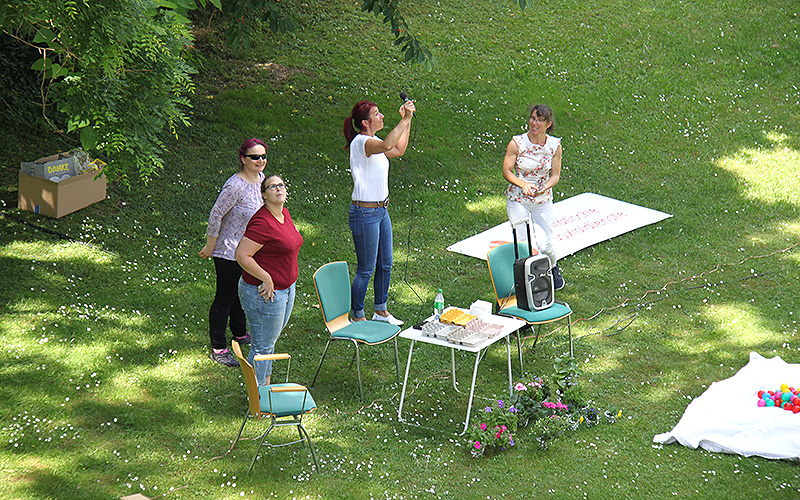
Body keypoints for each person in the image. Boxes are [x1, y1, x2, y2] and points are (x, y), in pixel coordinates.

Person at [342, 98, 416, 325]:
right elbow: (385, 147)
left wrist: (409, 119)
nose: (382, 116)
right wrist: (403, 119)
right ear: (365, 122)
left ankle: (381, 310)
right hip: (364, 214)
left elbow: (398, 149)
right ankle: (357, 314)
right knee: (366, 268)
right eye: (377, 114)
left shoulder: (373, 140)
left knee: (385, 263)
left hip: (382, 211)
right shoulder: (362, 143)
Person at [199, 138, 267, 367]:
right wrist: (211, 245)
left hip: (249, 250)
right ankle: (218, 348)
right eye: (254, 157)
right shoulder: (234, 186)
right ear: (243, 159)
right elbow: (216, 214)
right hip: (228, 251)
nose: (260, 161)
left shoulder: (261, 179)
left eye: (263, 156)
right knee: (225, 298)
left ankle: (239, 333)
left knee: (243, 292)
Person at [235, 174, 303, 386]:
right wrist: (266, 277)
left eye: (281, 185)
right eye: (272, 187)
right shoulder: (262, 222)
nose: (278, 189)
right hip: (264, 293)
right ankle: (258, 397)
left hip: (286, 288)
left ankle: (264, 388)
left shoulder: (284, 214)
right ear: (263, 194)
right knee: (262, 345)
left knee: (268, 342)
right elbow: (241, 255)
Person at [502, 103, 565, 289]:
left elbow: (555, 175)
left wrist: (545, 186)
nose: (534, 123)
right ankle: (527, 281)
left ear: (548, 124)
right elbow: (507, 171)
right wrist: (523, 185)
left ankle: (553, 268)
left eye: (539, 120)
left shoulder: (554, 146)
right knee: (522, 244)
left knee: (545, 243)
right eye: (532, 118)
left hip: (542, 201)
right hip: (518, 199)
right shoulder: (517, 143)